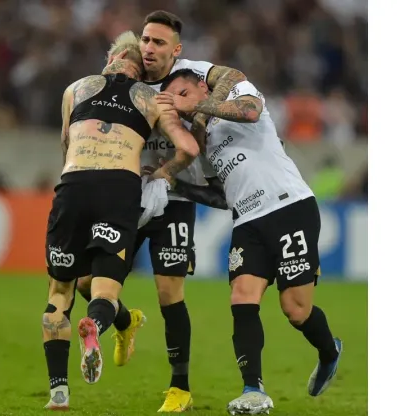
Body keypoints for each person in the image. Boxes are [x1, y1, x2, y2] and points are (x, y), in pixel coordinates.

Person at [77, 10, 251, 413]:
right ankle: (123, 322)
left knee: (169, 293)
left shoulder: (186, 82)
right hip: (125, 198)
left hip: (173, 200)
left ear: (175, 50)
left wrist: (171, 168)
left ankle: (180, 388)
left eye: (158, 42)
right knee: (88, 282)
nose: (149, 48)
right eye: (145, 40)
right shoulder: (122, 85)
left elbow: (205, 125)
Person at [160, 69, 343, 415]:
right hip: (246, 221)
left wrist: (203, 109)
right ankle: (253, 389)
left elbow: (251, 112)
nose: (180, 105)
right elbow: (220, 194)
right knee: (242, 298)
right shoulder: (203, 140)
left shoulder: (238, 94)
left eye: (182, 94)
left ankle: (329, 351)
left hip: (289, 207)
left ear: (202, 86)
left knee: (295, 309)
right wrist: (171, 181)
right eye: (174, 102)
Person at [41, 31, 200, 411]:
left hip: (73, 184)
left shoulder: (75, 89)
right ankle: (98, 325)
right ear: (138, 68)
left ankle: (58, 393)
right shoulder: (150, 97)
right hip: (119, 188)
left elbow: (66, 143)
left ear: (108, 61)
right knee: (103, 291)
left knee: (59, 295)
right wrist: (164, 174)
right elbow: (189, 148)